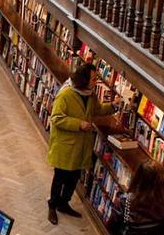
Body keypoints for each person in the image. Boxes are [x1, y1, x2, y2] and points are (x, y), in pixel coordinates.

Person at [47, 63, 119, 225]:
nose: (96, 81)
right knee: (60, 177)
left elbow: (97, 109)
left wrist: (114, 107)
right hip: (65, 146)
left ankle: (64, 203)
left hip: (80, 146)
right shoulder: (65, 94)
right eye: (93, 78)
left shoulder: (90, 94)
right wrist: (79, 124)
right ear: (84, 80)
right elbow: (56, 118)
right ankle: (52, 205)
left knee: (73, 178)